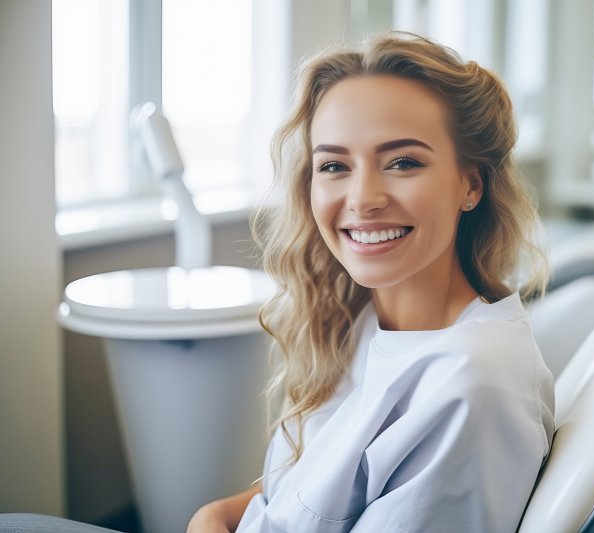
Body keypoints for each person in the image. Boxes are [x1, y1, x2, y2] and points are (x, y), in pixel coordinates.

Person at [187, 32, 554, 533]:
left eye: (403, 162)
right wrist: (209, 517)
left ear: (470, 184)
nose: (362, 198)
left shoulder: (469, 387)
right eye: (334, 165)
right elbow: (285, 499)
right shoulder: (360, 318)